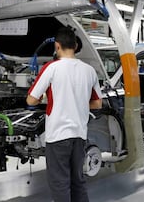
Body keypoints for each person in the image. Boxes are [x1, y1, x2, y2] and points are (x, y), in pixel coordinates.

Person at [26, 27, 102, 202]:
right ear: (75, 46)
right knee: (78, 181)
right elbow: (98, 103)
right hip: (79, 135)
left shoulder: (51, 68)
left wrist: (45, 99)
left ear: (57, 46)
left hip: (58, 136)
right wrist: (79, 102)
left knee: (60, 183)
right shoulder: (89, 70)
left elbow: (31, 100)